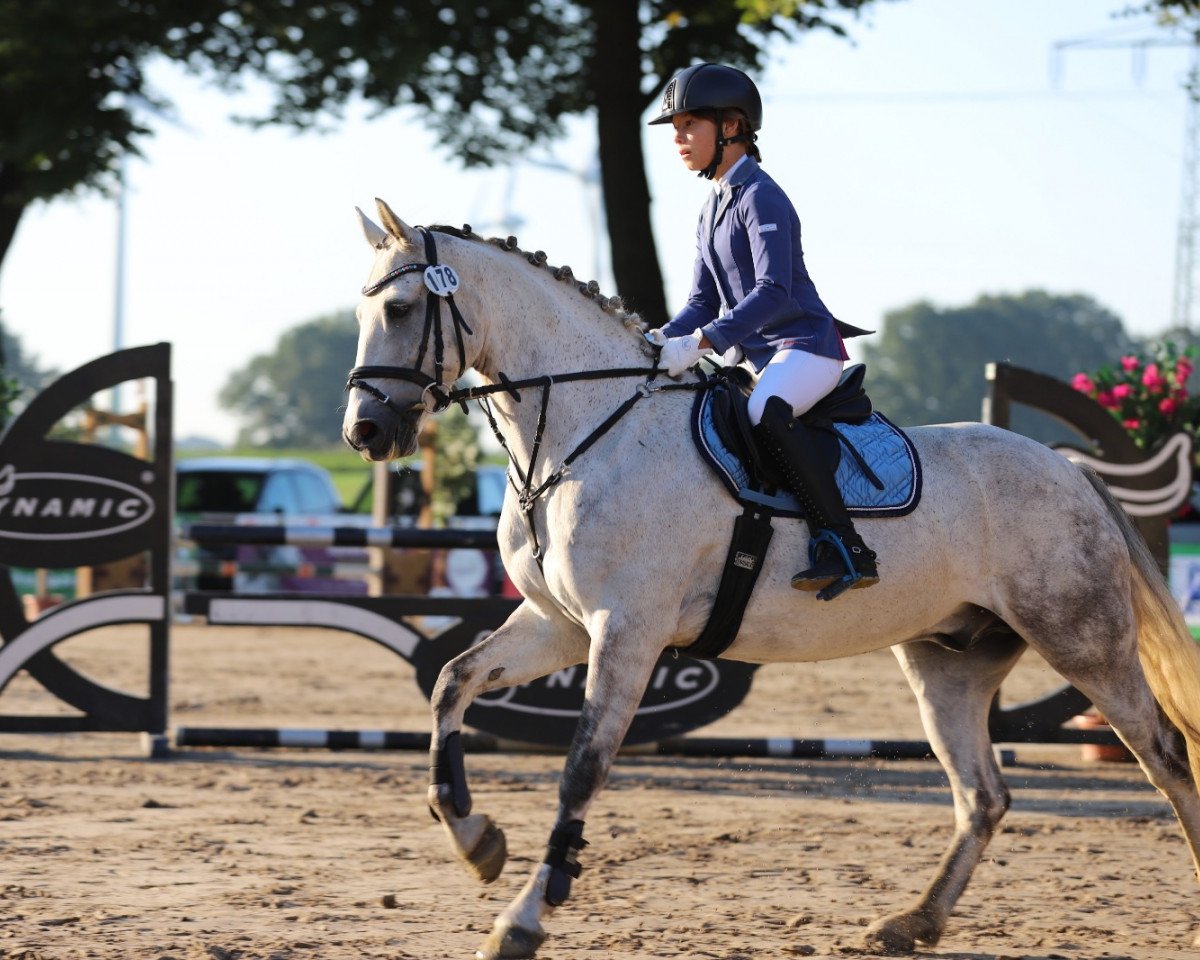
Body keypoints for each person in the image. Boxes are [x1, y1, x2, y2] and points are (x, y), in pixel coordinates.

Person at [646, 62, 878, 598]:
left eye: (689, 125)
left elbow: (774, 291)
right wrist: (656, 339)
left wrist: (700, 343)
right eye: (676, 128)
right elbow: (702, 301)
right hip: (758, 357)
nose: (678, 138)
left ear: (731, 126)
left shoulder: (760, 196)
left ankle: (846, 546)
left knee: (765, 411)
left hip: (806, 346)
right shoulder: (711, 208)